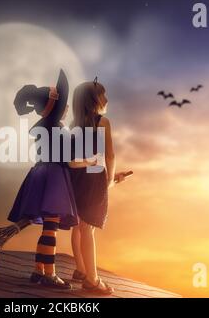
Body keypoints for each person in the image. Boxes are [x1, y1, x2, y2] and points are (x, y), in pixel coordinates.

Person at [7, 69, 89, 289]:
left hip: (41, 174)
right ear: (54, 109)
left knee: (48, 227)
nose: (68, 108)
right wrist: (89, 162)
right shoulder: (56, 129)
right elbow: (71, 160)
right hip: (54, 178)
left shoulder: (46, 128)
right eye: (63, 105)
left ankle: (39, 269)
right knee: (50, 227)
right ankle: (49, 273)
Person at [68, 78, 127, 294]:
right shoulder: (102, 123)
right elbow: (109, 156)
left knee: (78, 226)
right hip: (94, 177)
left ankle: (82, 269)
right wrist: (110, 179)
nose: (106, 98)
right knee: (88, 229)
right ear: (94, 100)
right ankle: (93, 280)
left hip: (77, 178)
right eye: (103, 94)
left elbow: (78, 159)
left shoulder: (73, 126)